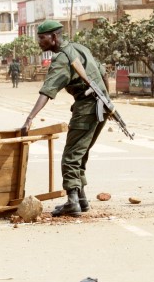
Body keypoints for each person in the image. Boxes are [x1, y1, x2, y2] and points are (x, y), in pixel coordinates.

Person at [21, 20, 109, 217]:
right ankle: (82, 200)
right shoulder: (80, 48)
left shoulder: (62, 59)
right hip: (101, 107)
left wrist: (29, 118)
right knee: (80, 154)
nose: (39, 42)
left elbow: (47, 91)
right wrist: (108, 99)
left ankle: (72, 203)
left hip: (87, 108)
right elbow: (103, 73)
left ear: (53, 37)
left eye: (42, 38)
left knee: (70, 157)